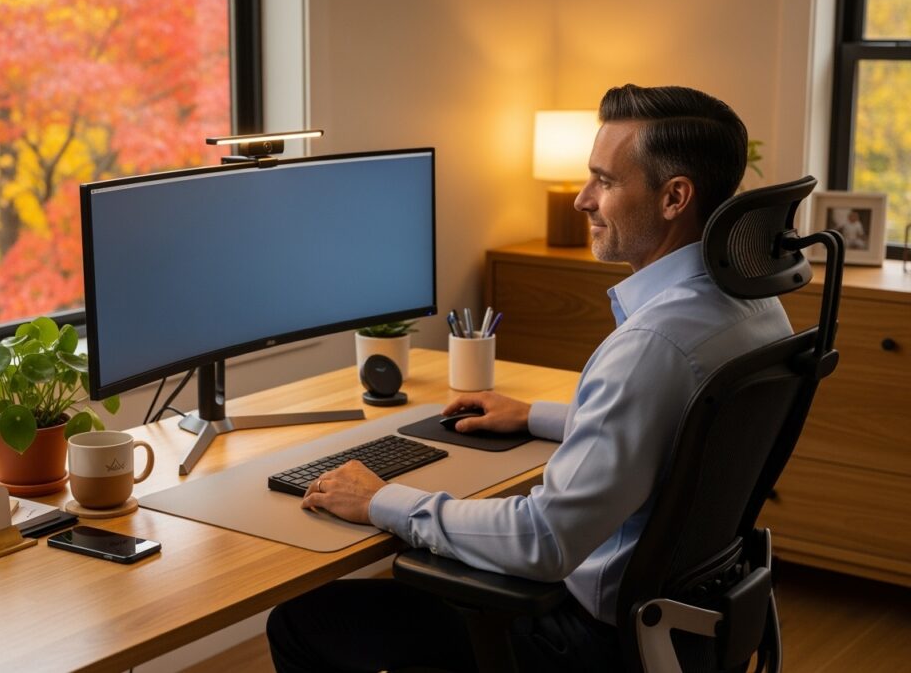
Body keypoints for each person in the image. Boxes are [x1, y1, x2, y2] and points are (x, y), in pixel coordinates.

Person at [266, 84, 794, 672]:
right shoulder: (754, 307)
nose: (582, 200)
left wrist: (382, 499)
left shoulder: (652, 345)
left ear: (674, 197)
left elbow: (544, 541)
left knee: (301, 621)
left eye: (606, 181)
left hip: (585, 644)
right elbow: (678, 427)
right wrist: (535, 415)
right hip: (689, 622)